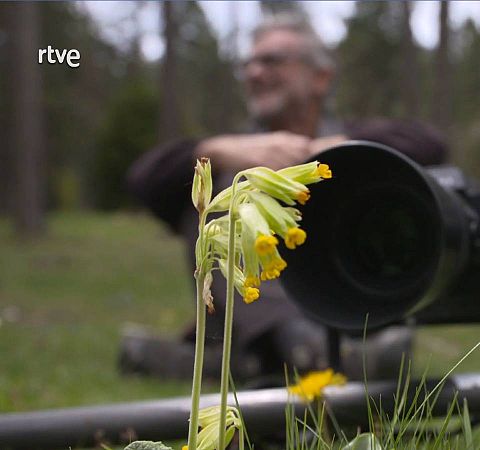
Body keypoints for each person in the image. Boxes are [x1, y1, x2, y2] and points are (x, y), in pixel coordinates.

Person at [123, 14, 448, 385]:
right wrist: (214, 149)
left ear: (320, 78)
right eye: (249, 64)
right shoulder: (234, 156)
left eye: (272, 61)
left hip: (346, 307)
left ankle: (254, 364)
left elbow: (431, 144)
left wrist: (331, 150)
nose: (254, 73)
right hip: (257, 318)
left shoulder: (352, 136)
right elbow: (143, 179)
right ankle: (313, 356)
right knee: (226, 193)